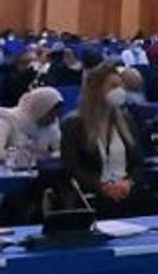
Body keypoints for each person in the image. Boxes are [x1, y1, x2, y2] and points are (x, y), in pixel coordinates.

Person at [61, 65, 152, 218]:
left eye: (121, 85)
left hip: (128, 194)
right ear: (96, 90)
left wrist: (128, 183)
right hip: (94, 198)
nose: (120, 91)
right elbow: (73, 167)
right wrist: (103, 187)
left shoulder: (127, 120)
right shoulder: (74, 125)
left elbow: (138, 162)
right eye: (113, 86)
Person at [0, 86, 63, 166]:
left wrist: (47, 156)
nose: (53, 120)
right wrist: (21, 155)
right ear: (41, 110)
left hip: (39, 170)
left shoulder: (52, 124)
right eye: (50, 115)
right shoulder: (9, 119)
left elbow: (62, 151)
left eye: (56, 116)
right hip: (11, 171)